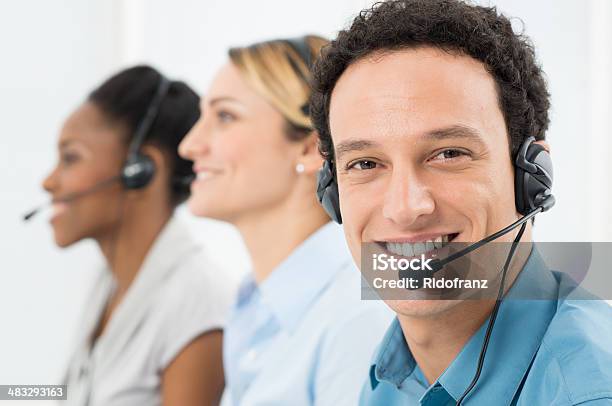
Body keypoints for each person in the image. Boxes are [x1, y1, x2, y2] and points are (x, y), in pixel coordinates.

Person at [309, 0, 612, 404]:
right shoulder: (391, 376)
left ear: (531, 177)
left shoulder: (588, 392)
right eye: (365, 163)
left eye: (449, 154)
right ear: (333, 192)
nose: (405, 207)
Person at [178, 35, 392, 405]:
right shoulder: (255, 306)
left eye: (225, 116)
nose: (190, 145)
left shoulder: (357, 319)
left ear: (311, 148)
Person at [42, 65, 236, 406]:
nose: (49, 182)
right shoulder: (108, 284)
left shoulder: (197, 302)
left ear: (140, 170)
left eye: (70, 158)